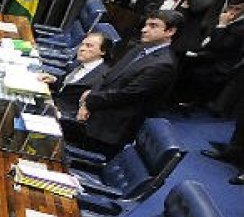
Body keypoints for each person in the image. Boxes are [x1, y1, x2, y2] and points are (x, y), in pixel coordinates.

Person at [74, 11, 181, 156]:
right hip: (96, 109)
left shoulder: (163, 64)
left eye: (153, 26)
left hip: (108, 130)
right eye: (146, 25)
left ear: (170, 31)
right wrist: (89, 99)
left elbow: (126, 95)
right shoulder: (138, 48)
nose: (144, 29)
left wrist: (89, 102)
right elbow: (108, 75)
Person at [177, 0, 244, 107]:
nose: (232, 12)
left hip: (219, 65)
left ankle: (184, 100)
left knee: (187, 65)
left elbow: (219, 46)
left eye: (237, 9)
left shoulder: (240, 27)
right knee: (180, 53)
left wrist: (222, 24)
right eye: (230, 7)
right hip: (208, 54)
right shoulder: (225, 16)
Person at [38, 31, 111, 118]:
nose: (82, 49)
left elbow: (84, 110)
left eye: (89, 46)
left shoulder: (103, 78)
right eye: (82, 44)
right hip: (50, 100)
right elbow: (66, 86)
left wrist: (59, 113)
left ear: (103, 51)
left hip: (61, 115)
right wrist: (54, 80)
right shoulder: (79, 61)